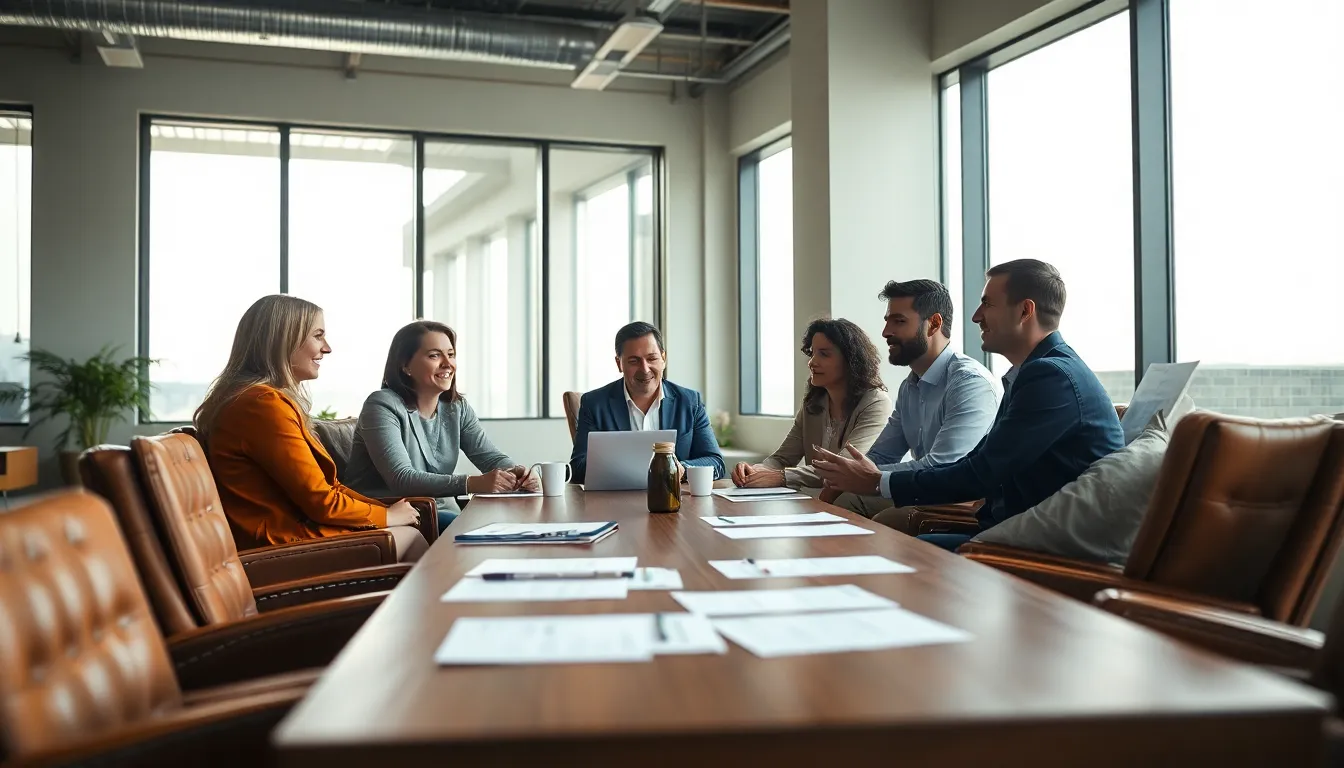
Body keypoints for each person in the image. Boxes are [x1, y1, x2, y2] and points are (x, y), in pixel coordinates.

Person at [814, 259, 1124, 551]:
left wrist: (878, 481)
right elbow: (982, 462)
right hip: (1011, 530)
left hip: (1041, 546)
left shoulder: (1050, 376)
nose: (976, 315)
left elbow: (979, 473)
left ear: (1025, 311)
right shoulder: (1033, 373)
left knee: (887, 550)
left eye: (987, 303)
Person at [195, 295, 428, 561]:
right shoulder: (262, 404)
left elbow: (326, 490)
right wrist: (385, 515)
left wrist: (384, 511)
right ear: (284, 339)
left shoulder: (252, 400)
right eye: (318, 336)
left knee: (409, 530)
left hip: (284, 537)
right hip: (279, 547)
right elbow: (320, 501)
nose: (326, 348)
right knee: (411, 537)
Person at [819, 279, 1000, 522]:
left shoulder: (969, 382)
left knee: (887, 519)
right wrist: (846, 476)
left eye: (899, 321)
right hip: (921, 491)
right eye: (887, 321)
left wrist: (867, 477)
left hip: (959, 501)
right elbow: (882, 456)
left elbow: (944, 466)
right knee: (845, 501)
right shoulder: (910, 386)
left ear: (934, 324)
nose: (886, 332)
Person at [344, 321, 539, 533]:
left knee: (519, 523)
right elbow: (402, 478)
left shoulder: (456, 408)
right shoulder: (381, 405)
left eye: (451, 354)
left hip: (440, 511)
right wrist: (473, 483)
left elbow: (489, 458)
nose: (448, 364)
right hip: (393, 514)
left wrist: (517, 473)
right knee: (486, 532)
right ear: (405, 365)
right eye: (434, 355)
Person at [732, 318, 892, 490]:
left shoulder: (876, 403)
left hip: (854, 501)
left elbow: (843, 468)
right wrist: (753, 471)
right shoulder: (813, 403)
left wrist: (781, 477)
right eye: (812, 353)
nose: (812, 362)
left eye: (824, 354)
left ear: (851, 360)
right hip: (816, 502)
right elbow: (782, 459)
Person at [569, 321, 725, 484]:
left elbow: (716, 463)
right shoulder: (594, 404)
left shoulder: (690, 402)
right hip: (616, 504)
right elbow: (577, 469)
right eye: (634, 361)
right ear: (619, 363)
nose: (645, 369)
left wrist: (682, 469)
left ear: (663, 359)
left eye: (652, 358)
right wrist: (630, 467)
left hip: (675, 504)